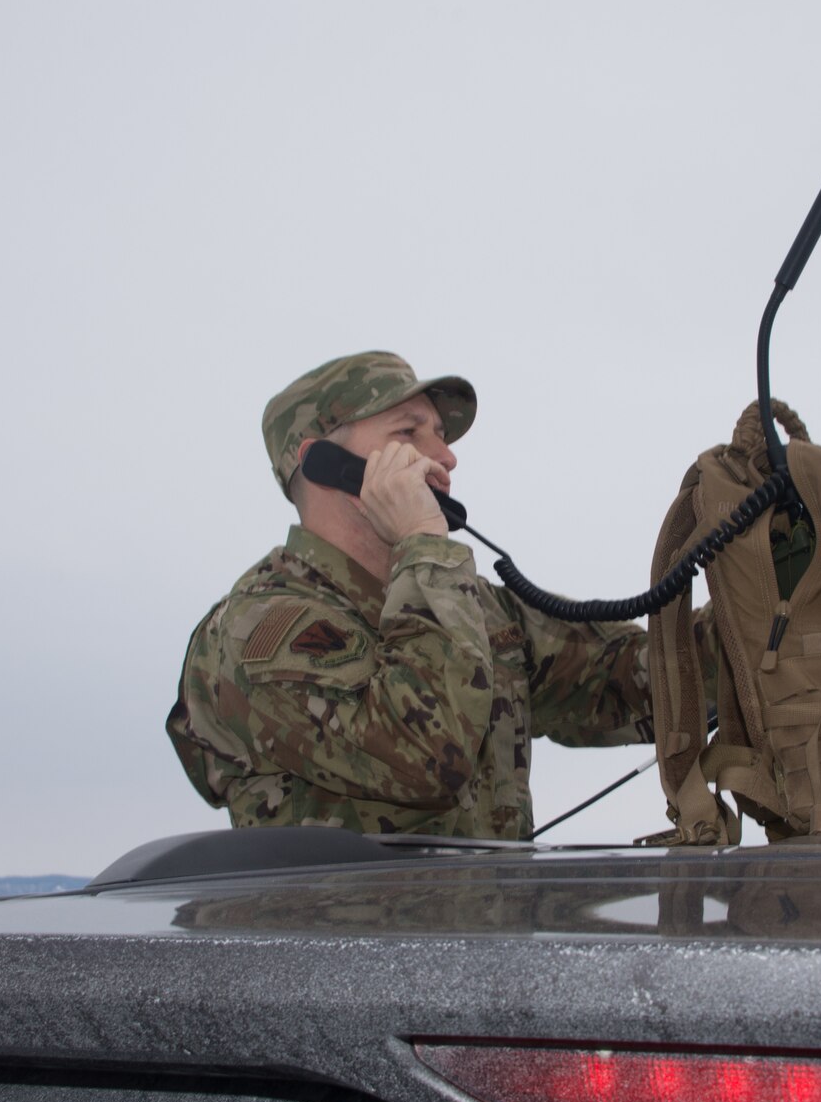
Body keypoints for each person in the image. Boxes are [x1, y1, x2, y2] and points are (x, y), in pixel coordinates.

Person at [166, 351, 659, 838]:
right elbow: (426, 754)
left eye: (440, 435)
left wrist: (735, 576)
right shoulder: (257, 628)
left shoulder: (476, 608)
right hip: (351, 920)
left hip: (495, 917)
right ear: (323, 462)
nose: (446, 457)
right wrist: (423, 541)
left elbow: (638, 675)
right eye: (408, 432)